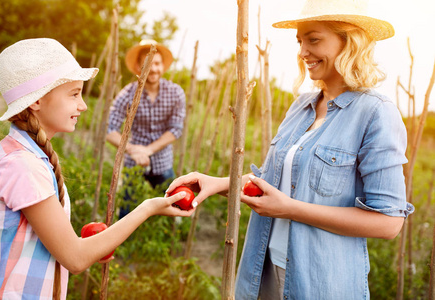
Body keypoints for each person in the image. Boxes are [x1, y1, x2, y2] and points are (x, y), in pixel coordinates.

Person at [166, 0, 414, 298]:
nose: (302, 52)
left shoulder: (376, 113)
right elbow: (273, 184)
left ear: (349, 41)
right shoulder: (301, 106)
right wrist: (216, 183)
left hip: (319, 280)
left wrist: (290, 209)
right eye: (300, 41)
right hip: (264, 268)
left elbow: (388, 223)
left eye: (314, 39)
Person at [0, 38, 196, 300]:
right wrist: (149, 207)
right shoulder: (22, 165)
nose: (83, 105)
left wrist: (92, 243)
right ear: (37, 101)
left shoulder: (27, 155)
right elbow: (75, 258)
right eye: (74, 94)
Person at [106, 39, 186, 218]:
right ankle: (127, 243)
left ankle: (172, 237)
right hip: (133, 163)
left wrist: (148, 150)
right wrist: (133, 150)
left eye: (156, 63)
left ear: (163, 66)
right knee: (127, 213)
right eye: (147, 64)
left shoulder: (176, 93)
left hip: (162, 161)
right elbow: (109, 129)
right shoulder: (127, 94)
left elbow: (175, 129)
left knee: (173, 209)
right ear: (137, 67)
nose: (153, 69)